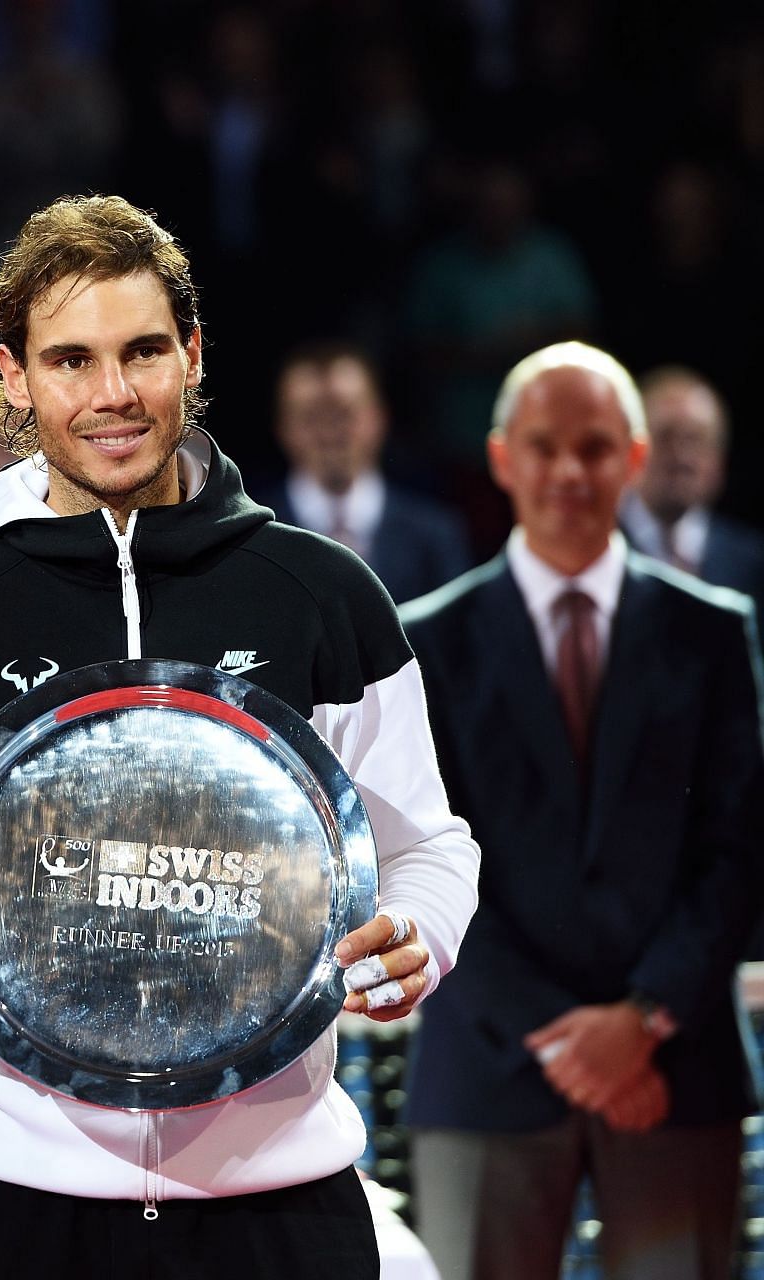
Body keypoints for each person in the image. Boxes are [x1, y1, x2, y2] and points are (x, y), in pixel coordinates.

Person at [0, 192, 480, 1278]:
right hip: (15, 1199)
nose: (114, 393)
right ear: (13, 375)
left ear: (192, 352)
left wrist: (419, 934)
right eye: (71, 359)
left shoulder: (324, 594)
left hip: (280, 1193)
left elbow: (428, 843)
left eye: (144, 350)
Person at [400, 342, 764, 1280]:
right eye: (546, 445)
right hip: (488, 1070)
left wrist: (640, 1024)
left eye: (596, 447)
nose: (570, 471)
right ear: (501, 458)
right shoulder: (424, 641)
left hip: (676, 1076)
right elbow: (415, 856)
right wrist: (574, 1040)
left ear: (635, 461)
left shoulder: (713, 629)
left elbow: (738, 854)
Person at [262, 342, 472, 603]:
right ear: (284, 428)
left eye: (343, 414)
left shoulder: (435, 537)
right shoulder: (249, 535)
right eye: (311, 417)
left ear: (379, 419)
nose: (329, 433)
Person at [618, 365, 764, 605]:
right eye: (665, 436)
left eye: (694, 439)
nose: (681, 457)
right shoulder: (594, 552)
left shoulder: (753, 564)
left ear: (719, 460)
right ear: (632, 449)